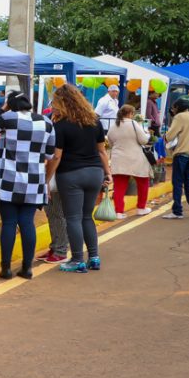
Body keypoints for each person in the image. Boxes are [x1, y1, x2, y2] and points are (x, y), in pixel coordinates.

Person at [0, 91, 54, 280]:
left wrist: (2, 109)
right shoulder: (46, 122)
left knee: (9, 223)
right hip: (33, 181)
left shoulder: (8, 117)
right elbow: (50, 155)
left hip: (9, 179)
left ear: (12, 106)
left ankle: (6, 269)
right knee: (27, 223)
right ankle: (27, 268)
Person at [46, 84, 112, 274]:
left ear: (63, 103)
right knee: (86, 217)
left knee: (72, 218)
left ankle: (76, 260)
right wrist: (108, 173)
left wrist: (46, 180)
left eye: (56, 103)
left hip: (71, 174)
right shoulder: (95, 122)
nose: (54, 107)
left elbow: (57, 157)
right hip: (95, 173)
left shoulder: (61, 126)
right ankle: (94, 257)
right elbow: (102, 151)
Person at [107, 105, 152, 219]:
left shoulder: (114, 126)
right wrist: (148, 134)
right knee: (143, 182)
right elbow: (143, 140)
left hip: (118, 159)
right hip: (135, 158)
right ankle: (141, 208)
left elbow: (110, 142)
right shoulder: (133, 124)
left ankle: (119, 212)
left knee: (119, 187)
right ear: (131, 113)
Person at [163, 99, 189, 219]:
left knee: (177, 182)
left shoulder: (179, 117)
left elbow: (169, 136)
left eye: (174, 108)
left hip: (181, 154)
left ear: (177, 107)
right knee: (188, 182)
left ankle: (177, 211)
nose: (172, 111)